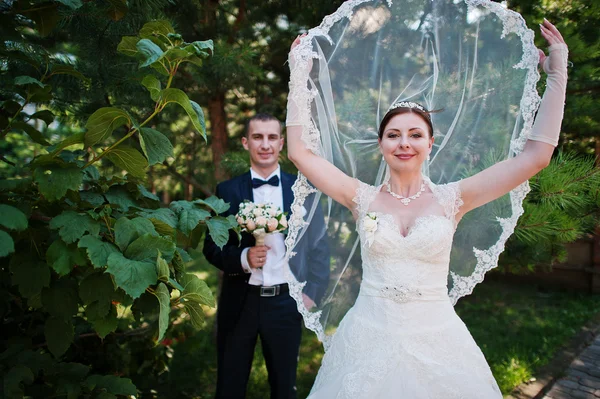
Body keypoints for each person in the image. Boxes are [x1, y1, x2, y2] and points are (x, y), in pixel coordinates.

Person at [285, 18, 568, 398]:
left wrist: (557, 73)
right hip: (366, 340)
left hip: (439, 342)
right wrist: (298, 74)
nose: (405, 143)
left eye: (415, 134)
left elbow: (536, 156)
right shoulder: (360, 197)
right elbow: (300, 152)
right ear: (381, 144)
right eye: (394, 135)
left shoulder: (454, 199)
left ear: (430, 143)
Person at [203, 113, 330, 399]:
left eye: (272, 137)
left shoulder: (302, 191)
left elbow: (319, 246)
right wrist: (244, 258)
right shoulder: (227, 191)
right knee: (229, 387)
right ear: (246, 142)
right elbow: (211, 247)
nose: (265, 144)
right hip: (240, 301)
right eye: (258, 137)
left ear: (282, 143)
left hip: (286, 303)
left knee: (284, 388)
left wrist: (311, 294)